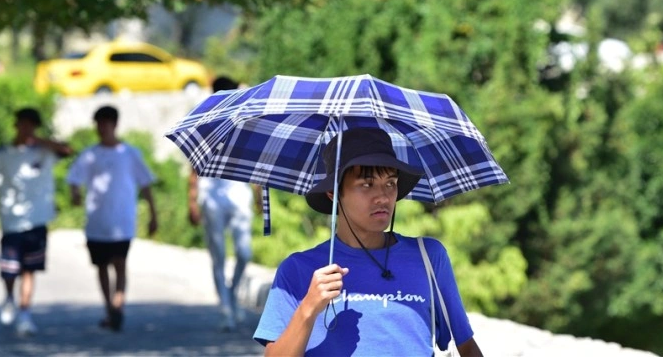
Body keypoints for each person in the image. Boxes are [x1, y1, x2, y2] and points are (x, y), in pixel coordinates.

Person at [253, 127, 484, 356]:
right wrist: (308, 308)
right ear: (333, 194)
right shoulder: (298, 269)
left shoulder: (429, 257)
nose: (383, 197)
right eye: (367, 184)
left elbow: (468, 348)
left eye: (390, 183)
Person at [0, 107, 72, 336]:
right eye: (23, 124)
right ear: (16, 125)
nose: (27, 128)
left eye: (32, 125)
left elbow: (68, 150)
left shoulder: (45, 152)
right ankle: (10, 297)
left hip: (38, 220)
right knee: (10, 270)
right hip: (11, 221)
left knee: (29, 269)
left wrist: (38, 140)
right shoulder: (1, 154)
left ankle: (25, 313)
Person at [67, 105, 158, 332]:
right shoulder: (90, 154)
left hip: (123, 220)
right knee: (101, 266)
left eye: (107, 123)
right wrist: (75, 194)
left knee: (120, 263)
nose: (103, 127)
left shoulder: (130, 153)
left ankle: (118, 304)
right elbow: (74, 178)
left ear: (115, 124)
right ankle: (109, 307)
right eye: (99, 123)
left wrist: (153, 214)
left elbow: (145, 184)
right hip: (97, 221)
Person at [188, 75, 255, 332]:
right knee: (217, 256)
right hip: (211, 195)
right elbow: (193, 164)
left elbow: (254, 160)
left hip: (239, 192)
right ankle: (227, 309)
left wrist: (259, 195)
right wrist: (192, 200)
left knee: (244, 253)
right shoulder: (204, 120)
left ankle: (231, 293)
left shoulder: (244, 120)